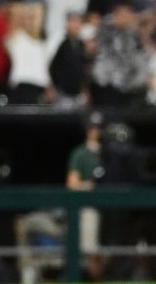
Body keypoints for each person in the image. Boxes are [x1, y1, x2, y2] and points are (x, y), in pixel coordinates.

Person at [66, 112, 106, 282]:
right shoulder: (80, 153)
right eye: (92, 127)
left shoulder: (108, 151)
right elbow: (72, 183)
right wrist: (90, 186)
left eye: (98, 127)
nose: (95, 131)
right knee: (91, 249)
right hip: (90, 206)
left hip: (110, 207)